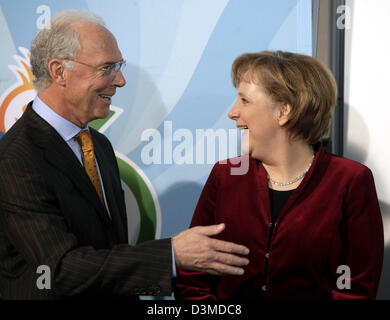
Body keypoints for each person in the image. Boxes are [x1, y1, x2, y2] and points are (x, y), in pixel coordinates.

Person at [0, 10, 250, 300]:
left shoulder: (99, 146)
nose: (120, 80)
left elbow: (110, 253)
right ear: (59, 72)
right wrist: (171, 255)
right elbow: (60, 271)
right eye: (107, 67)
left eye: (119, 66)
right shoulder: (16, 160)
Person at [175, 51, 384, 300]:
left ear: (284, 111)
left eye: (244, 100)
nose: (232, 112)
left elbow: (356, 290)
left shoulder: (350, 180)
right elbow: (193, 279)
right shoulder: (225, 176)